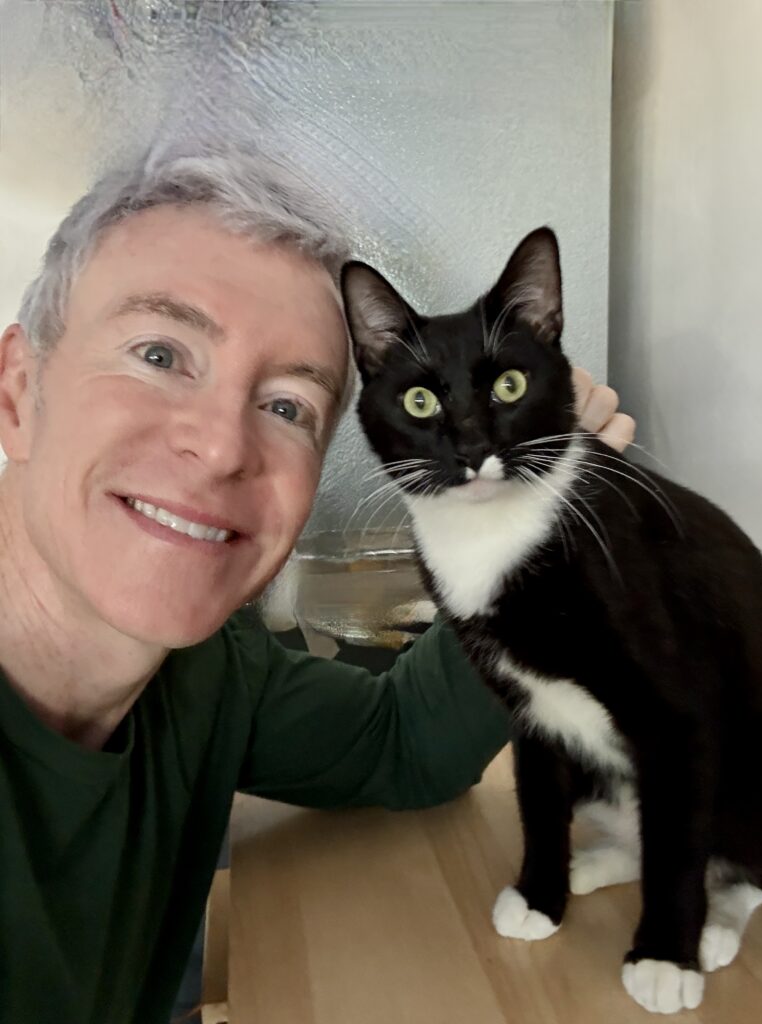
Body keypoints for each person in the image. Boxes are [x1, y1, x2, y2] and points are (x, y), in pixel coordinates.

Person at [0, 148, 635, 1024]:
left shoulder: (211, 671)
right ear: (17, 389)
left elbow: (405, 746)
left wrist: (530, 533)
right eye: (160, 353)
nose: (222, 447)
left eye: (288, 405)